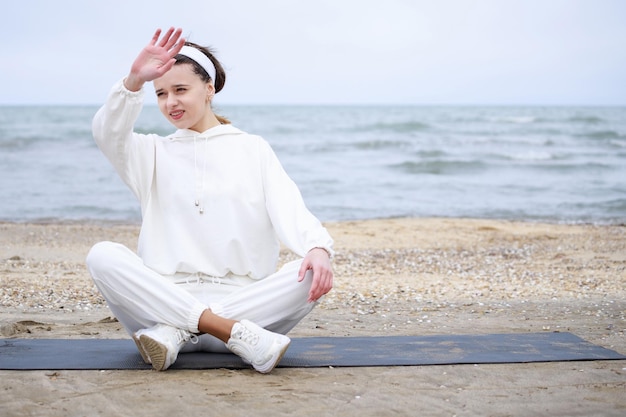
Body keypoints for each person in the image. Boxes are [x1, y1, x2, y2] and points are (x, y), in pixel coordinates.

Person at [86, 27, 334, 374]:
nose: (170, 102)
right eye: (160, 93)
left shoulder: (252, 148)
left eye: (180, 90)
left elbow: (289, 206)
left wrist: (317, 248)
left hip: (239, 306)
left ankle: (180, 333)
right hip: (177, 305)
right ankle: (221, 329)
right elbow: (106, 132)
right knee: (102, 255)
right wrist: (133, 81)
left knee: (311, 271)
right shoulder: (151, 152)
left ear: (209, 89)